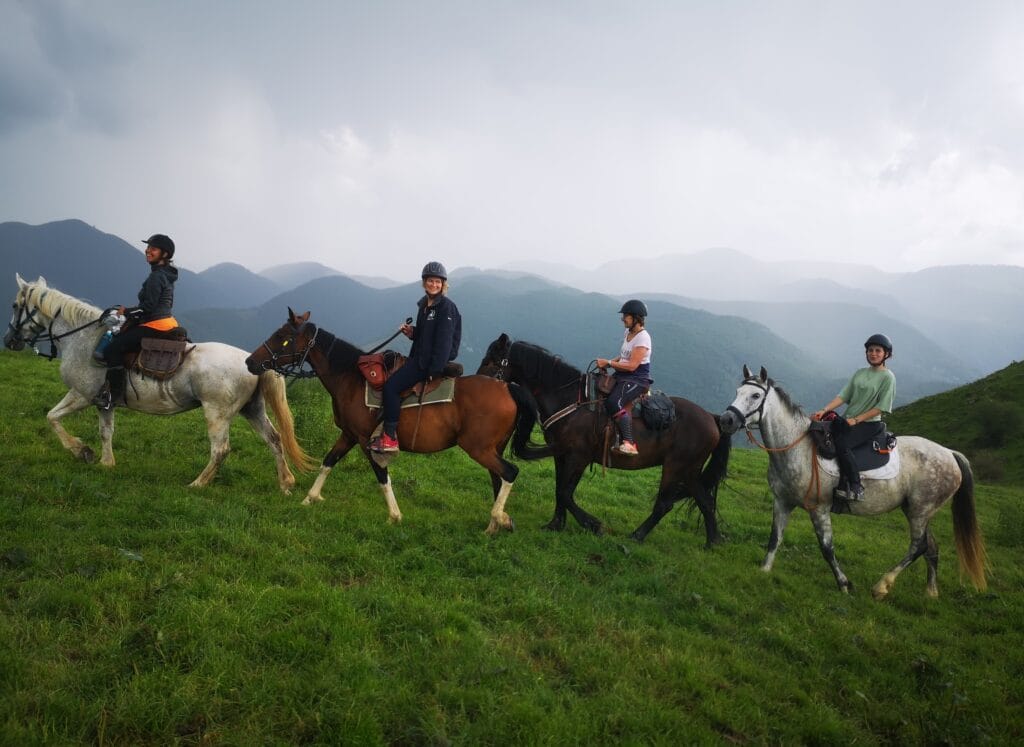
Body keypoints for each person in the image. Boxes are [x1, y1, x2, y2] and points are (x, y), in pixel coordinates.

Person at [371, 261, 461, 453]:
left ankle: (389, 438)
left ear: (443, 284)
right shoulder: (425, 306)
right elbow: (426, 335)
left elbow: (444, 342)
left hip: (425, 363)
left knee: (391, 388)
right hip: (418, 358)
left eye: (438, 281)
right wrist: (412, 332)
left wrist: (434, 370)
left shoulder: (446, 307)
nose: (434, 284)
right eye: (430, 280)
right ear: (424, 282)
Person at [93, 234, 179, 409]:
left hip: (156, 324)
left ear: (164, 254)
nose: (148, 251)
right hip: (166, 322)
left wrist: (126, 311)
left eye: (153, 248)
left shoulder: (157, 277)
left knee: (112, 348)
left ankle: (112, 396)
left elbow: (147, 308)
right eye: (148, 248)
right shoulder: (165, 274)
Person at [812, 333, 896, 500]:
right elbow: (843, 396)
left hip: (869, 424)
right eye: (870, 350)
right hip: (848, 420)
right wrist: (825, 409)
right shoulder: (860, 373)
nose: (873, 353)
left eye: (878, 350)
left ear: (886, 354)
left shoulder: (888, 377)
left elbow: (881, 407)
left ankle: (856, 486)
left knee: (842, 444)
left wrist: (856, 419)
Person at [596, 299, 652, 456]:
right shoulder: (628, 333)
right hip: (623, 375)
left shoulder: (643, 338)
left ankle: (629, 442)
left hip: (637, 379)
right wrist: (608, 364)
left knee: (614, 402)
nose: (622, 319)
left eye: (626, 316)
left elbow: (633, 365)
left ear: (636, 318)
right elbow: (623, 357)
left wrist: (608, 362)